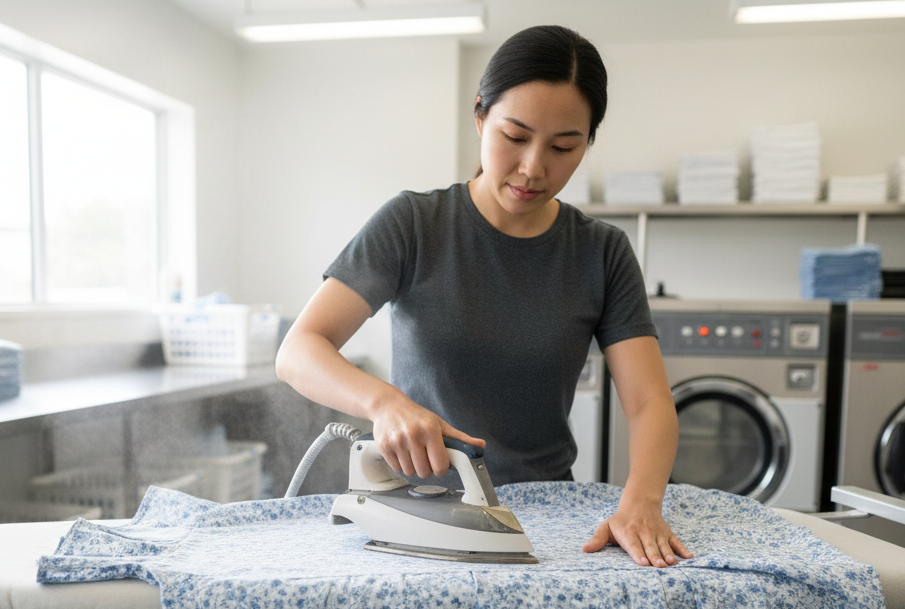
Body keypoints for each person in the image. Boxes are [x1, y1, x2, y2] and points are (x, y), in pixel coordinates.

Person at [275, 25, 692, 568]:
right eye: (515, 137)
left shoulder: (601, 251)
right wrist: (386, 404)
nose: (533, 168)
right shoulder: (414, 225)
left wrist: (642, 501)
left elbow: (649, 402)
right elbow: (300, 349)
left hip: (545, 519)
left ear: (587, 143)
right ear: (480, 116)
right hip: (414, 510)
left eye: (563, 147)